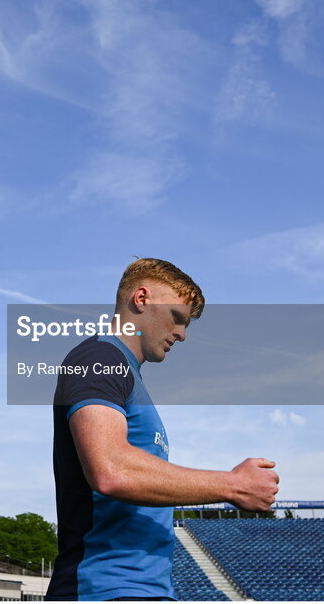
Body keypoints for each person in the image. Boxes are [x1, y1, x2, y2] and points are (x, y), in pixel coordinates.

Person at [46, 258, 279, 601]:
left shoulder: (126, 373)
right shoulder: (100, 358)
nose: (182, 335)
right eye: (177, 318)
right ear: (141, 299)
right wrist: (232, 485)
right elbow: (110, 469)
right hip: (105, 588)